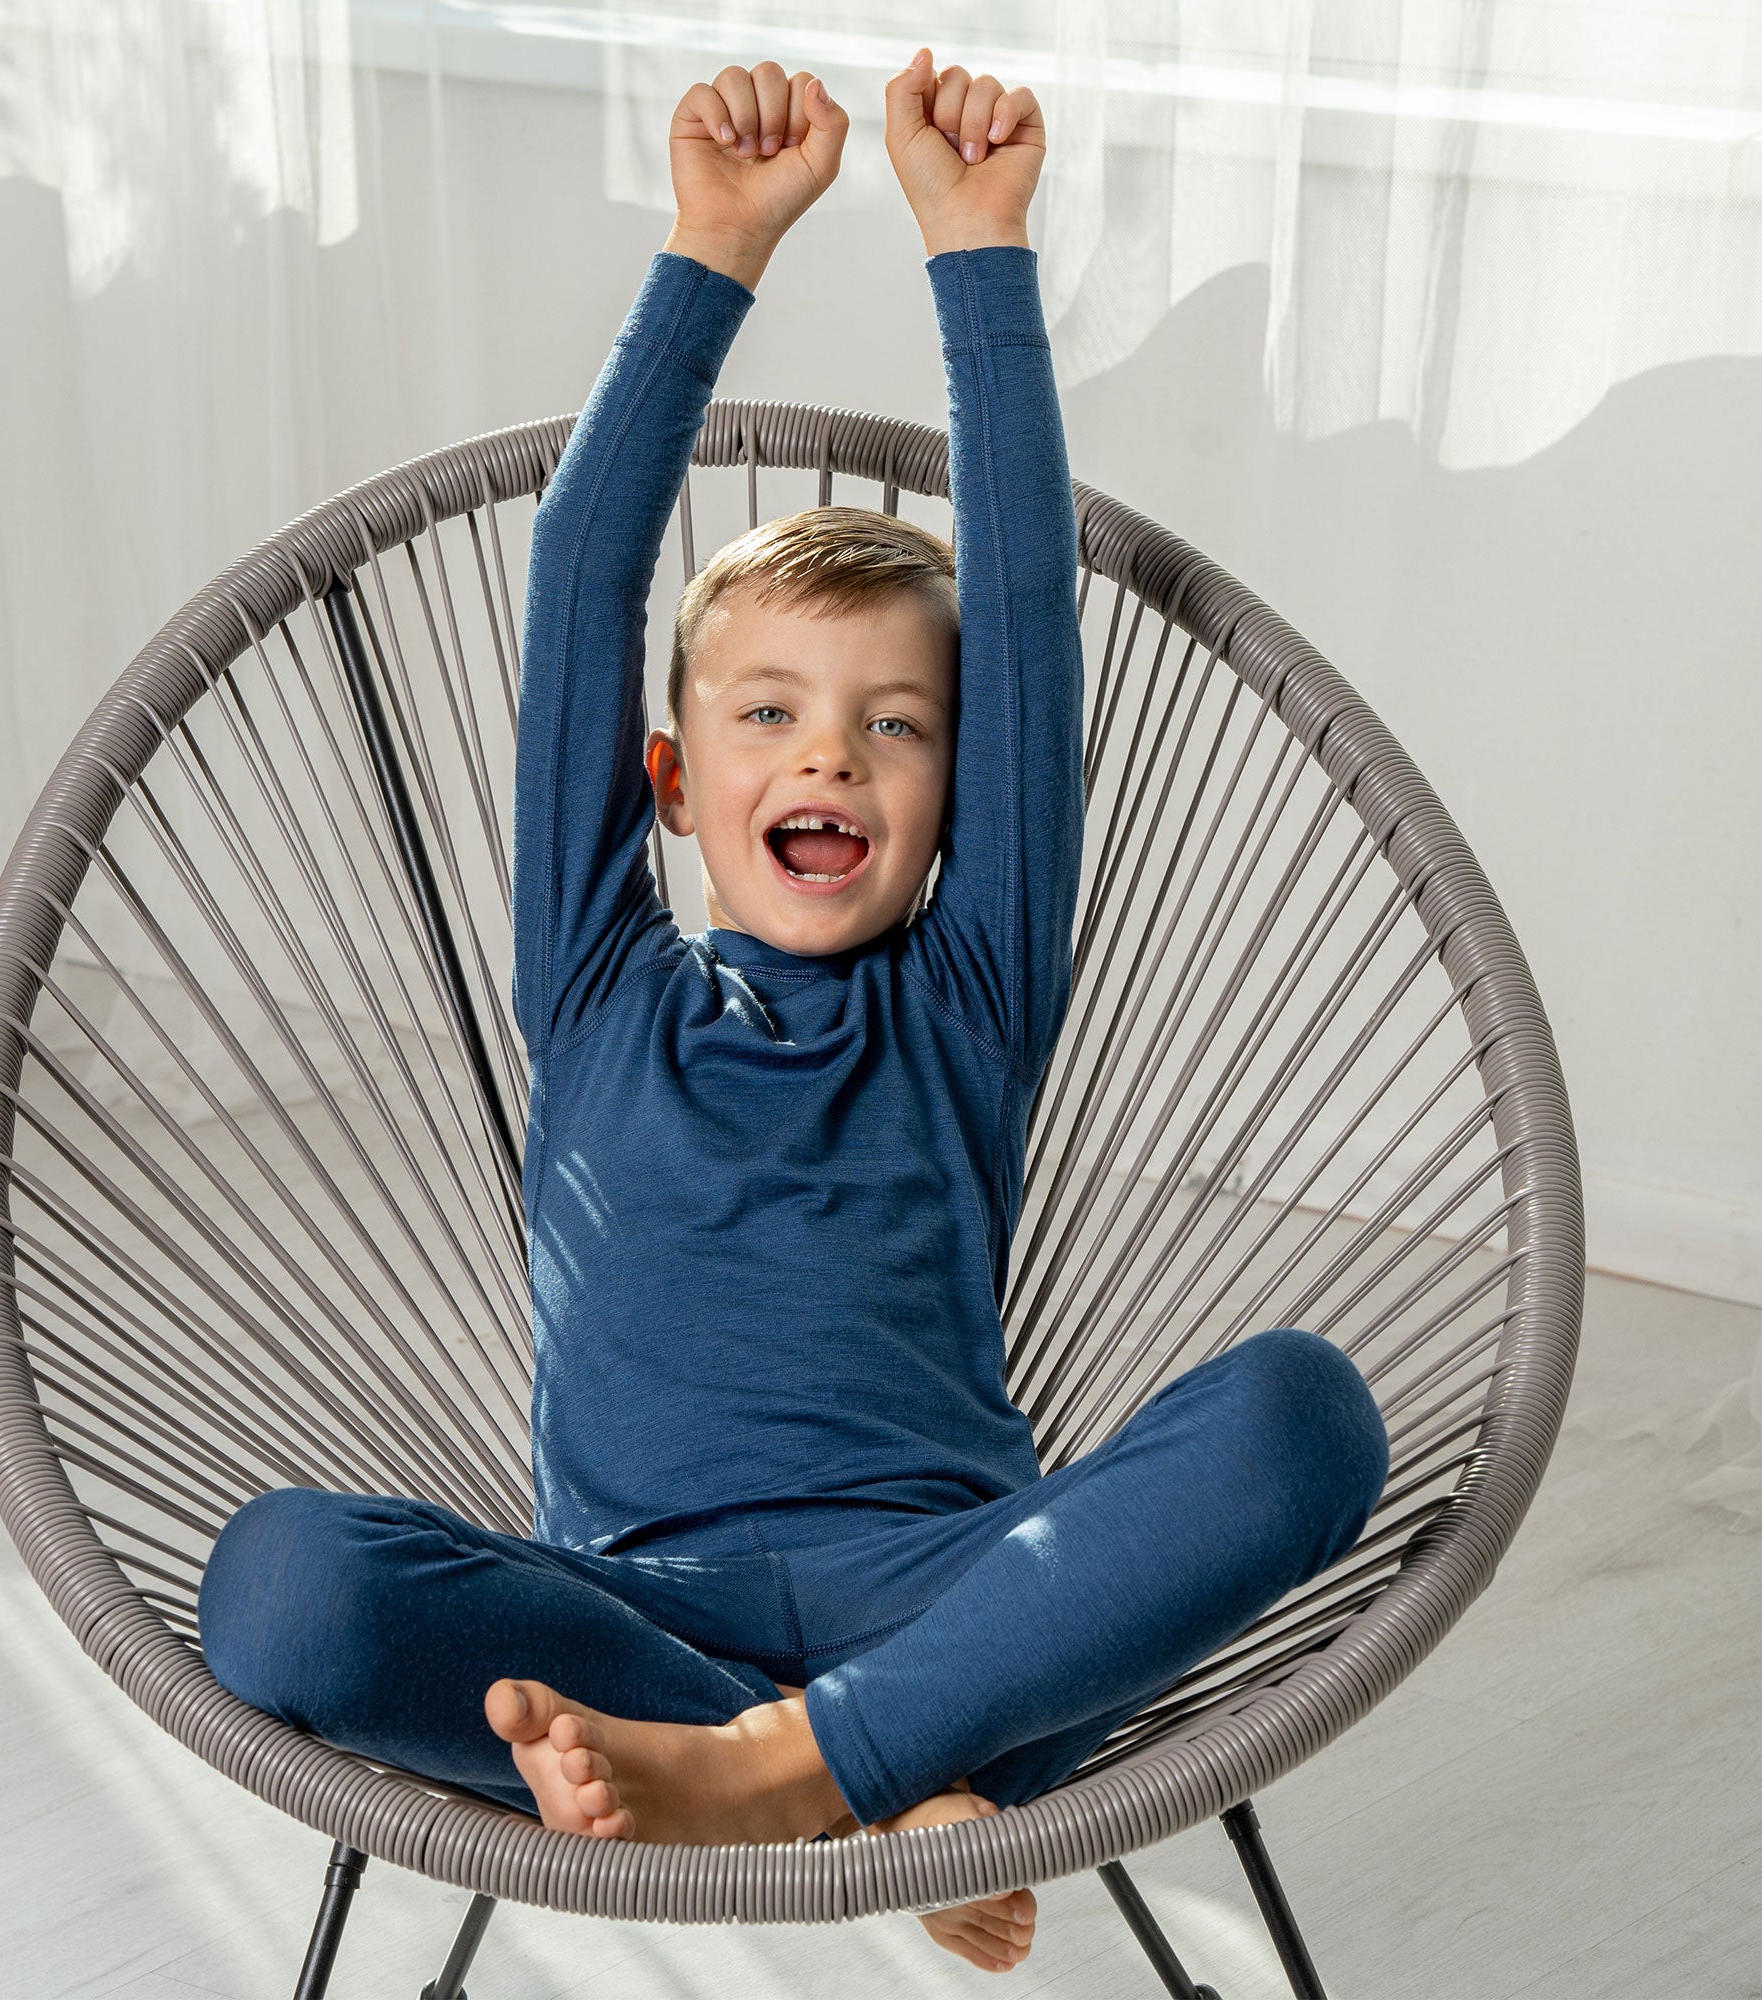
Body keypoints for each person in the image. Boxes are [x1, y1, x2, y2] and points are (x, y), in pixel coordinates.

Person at [197, 47, 1390, 1975]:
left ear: (956, 799)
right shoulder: (596, 982)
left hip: (965, 1598)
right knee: (277, 1584)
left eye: (893, 726)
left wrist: (976, 251)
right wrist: (714, 250)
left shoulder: (970, 991)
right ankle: (872, 1780)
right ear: (671, 783)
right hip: (629, 1619)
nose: (830, 751)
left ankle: (785, 1770)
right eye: (770, 713)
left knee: (1305, 1416)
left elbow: (1027, 620)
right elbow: (583, 575)